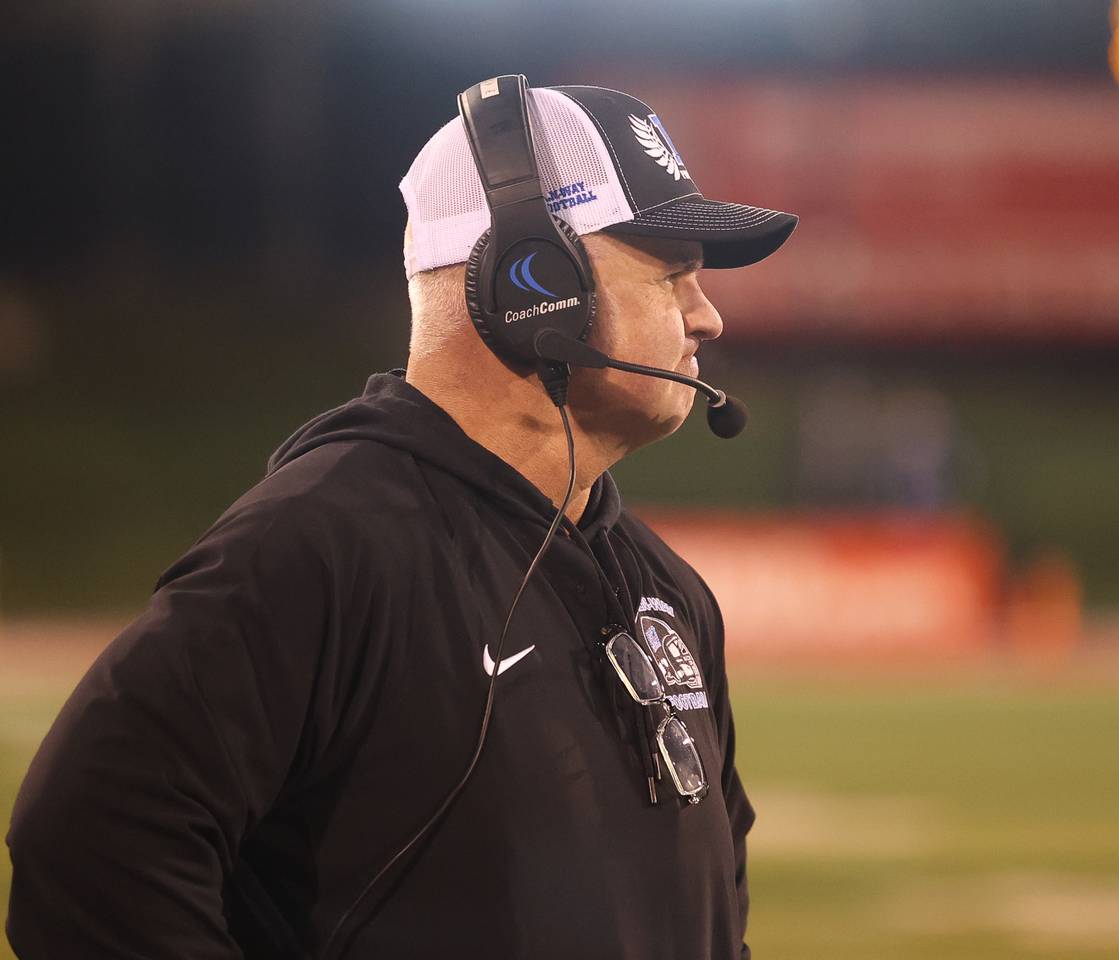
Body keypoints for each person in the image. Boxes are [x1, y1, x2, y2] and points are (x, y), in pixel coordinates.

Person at [6, 77, 797, 960]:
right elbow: (88, 844)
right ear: (536, 280)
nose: (708, 315)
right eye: (673, 273)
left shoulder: (666, 591)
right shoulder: (319, 545)